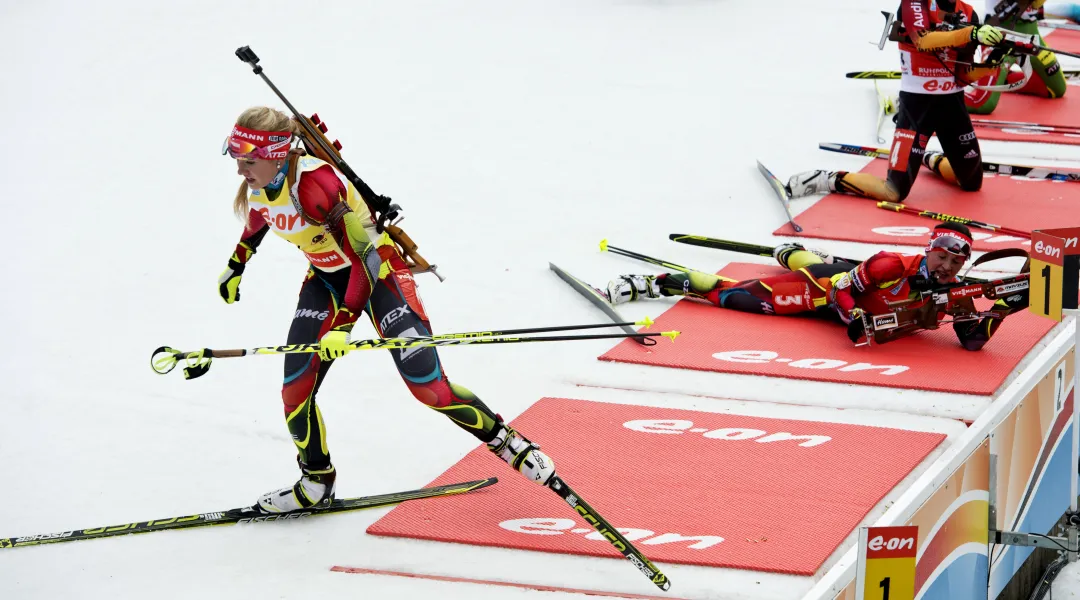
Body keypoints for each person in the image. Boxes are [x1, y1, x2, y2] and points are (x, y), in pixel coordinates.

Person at [220, 107, 554, 514]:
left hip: (377, 275)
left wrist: (342, 325)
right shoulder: (261, 180)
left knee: (429, 387)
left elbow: (364, 260)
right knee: (295, 392)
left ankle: (510, 443)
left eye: (248, 160)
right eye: (237, 159)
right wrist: (237, 264)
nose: (240, 170)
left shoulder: (315, 184)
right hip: (326, 280)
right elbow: (261, 214)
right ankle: (315, 483)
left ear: (275, 153)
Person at [605, 223, 1027, 349]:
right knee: (738, 296)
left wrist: (1006, 310)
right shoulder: (890, 264)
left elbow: (971, 341)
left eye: (956, 263)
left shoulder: (958, 290)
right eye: (943, 257)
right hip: (828, 296)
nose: (947, 267)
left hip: (855, 283)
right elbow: (843, 291)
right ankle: (658, 281)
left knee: (832, 266)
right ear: (929, 249)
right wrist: (855, 315)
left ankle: (791, 251)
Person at [785, 0, 1005, 203]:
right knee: (893, 192)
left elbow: (963, 74)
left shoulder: (967, 12)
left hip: (952, 105)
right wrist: (971, 33)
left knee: (971, 184)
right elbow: (922, 40)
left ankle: (931, 160)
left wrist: (993, 62)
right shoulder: (916, 3)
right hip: (917, 106)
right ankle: (827, 179)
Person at [966, 0, 1066, 114]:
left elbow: (1036, 4)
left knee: (1057, 89)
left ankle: (1003, 80)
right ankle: (944, 96)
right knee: (983, 104)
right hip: (1000, 36)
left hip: (1031, 35)